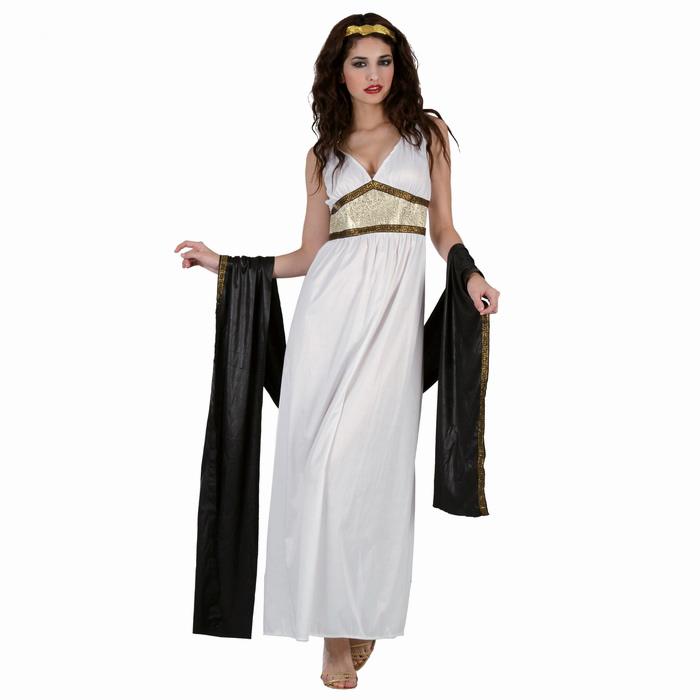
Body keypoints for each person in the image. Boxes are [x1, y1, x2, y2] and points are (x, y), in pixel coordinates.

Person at [175, 13, 500, 690]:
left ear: (398, 68)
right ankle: (333, 633)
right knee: (317, 468)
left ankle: (363, 606)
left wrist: (469, 273)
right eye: (360, 63)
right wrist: (226, 264)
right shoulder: (322, 155)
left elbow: (442, 229)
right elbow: (308, 255)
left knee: (373, 473)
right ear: (338, 73)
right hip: (326, 322)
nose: (373, 75)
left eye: (384, 61)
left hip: (390, 334)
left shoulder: (427, 135)